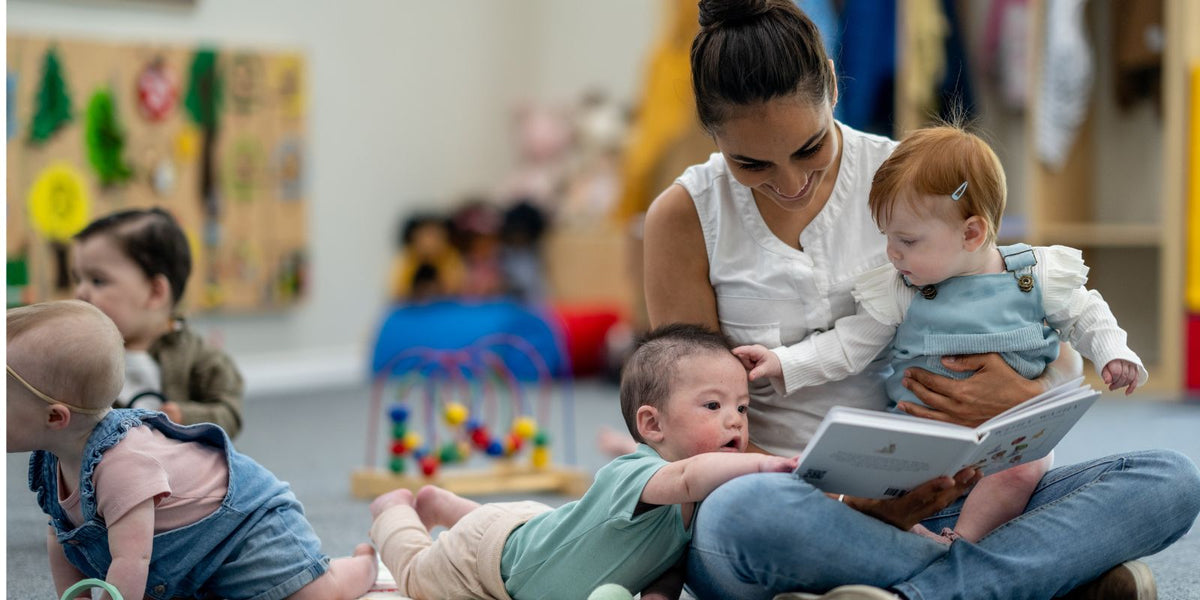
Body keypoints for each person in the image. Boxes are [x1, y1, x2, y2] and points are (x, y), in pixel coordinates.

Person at [641, 1, 1200, 598]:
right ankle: (1016, 578)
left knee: (1169, 479)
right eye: (750, 163)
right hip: (783, 503)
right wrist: (840, 504)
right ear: (712, 132)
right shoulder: (684, 216)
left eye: (809, 148)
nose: (789, 182)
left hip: (940, 496)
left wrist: (1029, 395)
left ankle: (910, 587)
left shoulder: (907, 181)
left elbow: (1008, 313)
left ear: (832, 83)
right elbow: (687, 425)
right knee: (741, 518)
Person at [732, 124, 1147, 544]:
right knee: (869, 475)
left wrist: (1113, 351)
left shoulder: (1034, 273)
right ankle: (914, 542)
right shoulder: (902, 287)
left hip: (1005, 441)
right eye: (888, 238)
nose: (892, 253)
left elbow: (1086, 312)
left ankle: (961, 544)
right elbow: (849, 344)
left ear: (972, 233)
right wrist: (784, 362)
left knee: (1034, 469)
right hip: (920, 434)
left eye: (907, 240)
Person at [367, 323, 797, 600]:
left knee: (513, 528)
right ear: (652, 424)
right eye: (712, 405)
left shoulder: (700, 504)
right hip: (487, 565)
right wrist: (764, 464)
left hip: (533, 531)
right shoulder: (637, 474)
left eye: (742, 409)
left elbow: (668, 566)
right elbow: (687, 476)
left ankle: (446, 506)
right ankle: (395, 511)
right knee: (417, 577)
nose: (734, 421)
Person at [7, 300, 378, 600]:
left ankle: (358, 568)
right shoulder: (53, 459)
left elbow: (131, 560)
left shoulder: (121, 467)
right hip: (189, 557)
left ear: (56, 417)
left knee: (312, 595)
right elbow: (62, 538)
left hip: (246, 526)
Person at [71, 208, 244, 438]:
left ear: (155, 292)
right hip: (115, 468)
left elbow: (229, 415)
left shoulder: (199, 357)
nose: (80, 292)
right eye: (77, 279)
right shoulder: (87, 357)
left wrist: (184, 417)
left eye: (97, 280)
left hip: (188, 466)